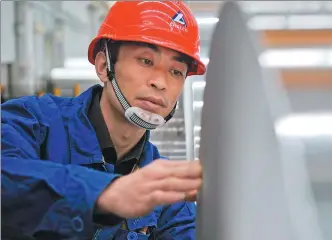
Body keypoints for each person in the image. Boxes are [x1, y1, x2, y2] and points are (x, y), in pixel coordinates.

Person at [1, 1, 206, 239]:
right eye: (146, 61)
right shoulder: (32, 122)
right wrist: (106, 193)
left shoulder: (164, 191)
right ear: (103, 66)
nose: (160, 82)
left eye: (176, 72)